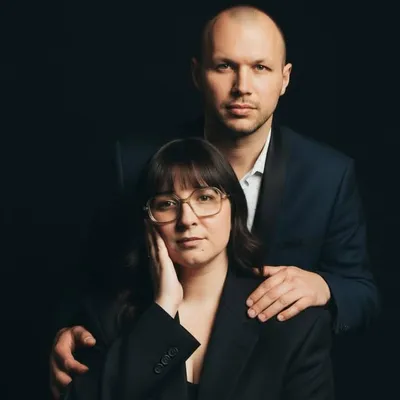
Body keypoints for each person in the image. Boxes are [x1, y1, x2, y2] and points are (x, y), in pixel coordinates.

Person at [50, 4, 379, 398]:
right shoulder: (136, 164)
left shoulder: (327, 175)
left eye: (260, 67)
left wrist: (324, 286)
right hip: (153, 374)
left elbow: (362, 292)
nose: (242, 86)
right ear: (197, 74)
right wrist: (68, 329)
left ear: (284, 78)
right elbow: (90, 278)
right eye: (225, 66)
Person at [61, 137, 334, 400]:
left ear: (234, 209)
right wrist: (163, 308)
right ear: (148, 222)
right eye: (167, 204)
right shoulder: (106, 318)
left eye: (205, 198)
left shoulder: (295, 324)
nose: (187, 219)